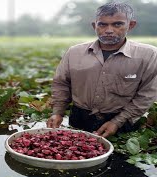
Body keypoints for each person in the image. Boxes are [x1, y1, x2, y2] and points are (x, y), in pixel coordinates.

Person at [47, 2, 157, 138]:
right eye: (102, 24)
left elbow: (147, 94)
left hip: (123, 122)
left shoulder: (148, 55)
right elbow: (61, 83)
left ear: (131, 25)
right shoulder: (74, 52)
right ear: (95, 26)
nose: (109, 30)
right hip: (80, 119)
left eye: (117, 24)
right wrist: (57, 112)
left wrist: (117, 121)